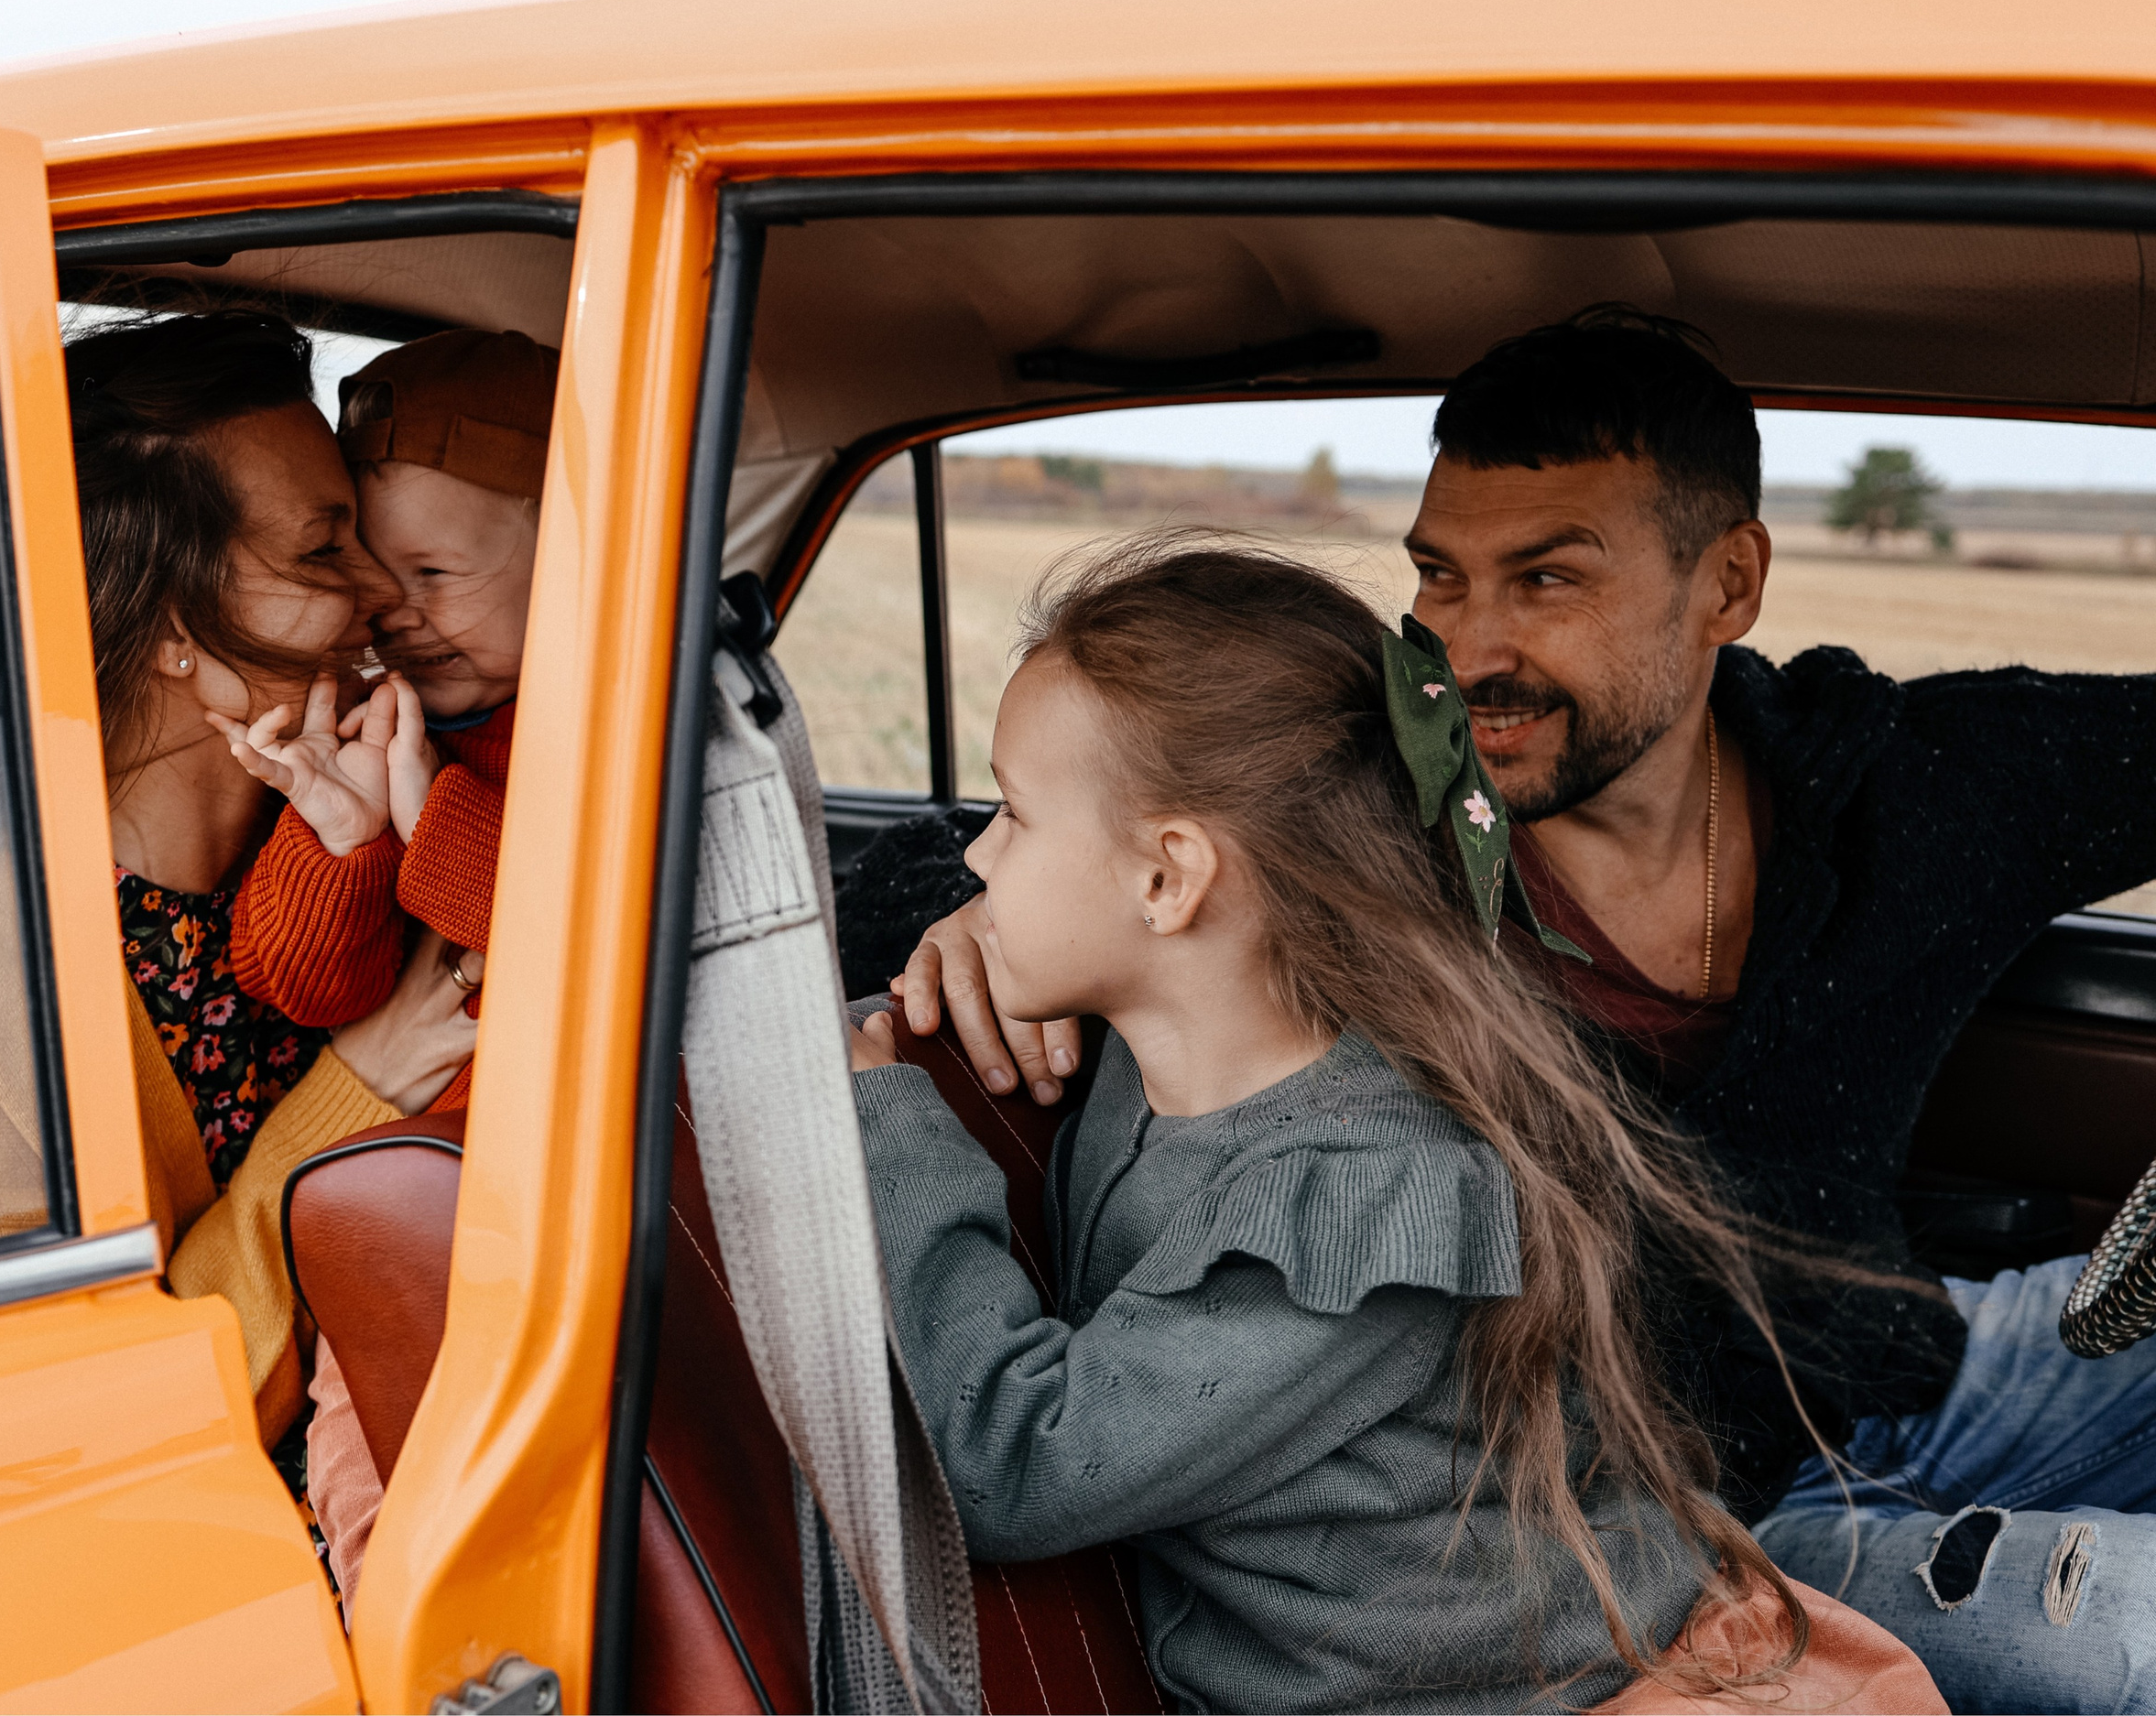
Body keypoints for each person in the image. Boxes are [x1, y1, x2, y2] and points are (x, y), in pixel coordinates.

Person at [880, 310, 2156, 1711]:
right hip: (1669, 1524)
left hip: (1924, 1370)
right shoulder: (1377, 830)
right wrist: (950, 928)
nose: (1466, 646)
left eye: (1544, 581)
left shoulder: (1904, 788)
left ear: (1727, 582)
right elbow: (1092, 843)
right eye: (1439, 576)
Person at [847, 539, 1938, 1712]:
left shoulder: (1356, 1207)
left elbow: (1018, 1465)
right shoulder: (1162, 1044)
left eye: (1010, 815)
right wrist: (969, 938)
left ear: (1169, 880)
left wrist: (888, 1134)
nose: (974, 854)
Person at [0, 310, 478, 1448]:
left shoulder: (361, 841)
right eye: (324, 552)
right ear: (173, 623)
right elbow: (54, 1430)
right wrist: (351, 1104)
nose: (382, 592)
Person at [196, 328, 553, 1598]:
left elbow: (588, 954)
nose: (392, 609)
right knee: (379, 1529)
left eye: (438, 570)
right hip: (399, 1245)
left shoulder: (605, 733)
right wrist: (345, 836)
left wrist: (430, 822)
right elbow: (300, 984)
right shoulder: (390, 726)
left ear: (573, 557)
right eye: (372, 573)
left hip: (560, 1229)